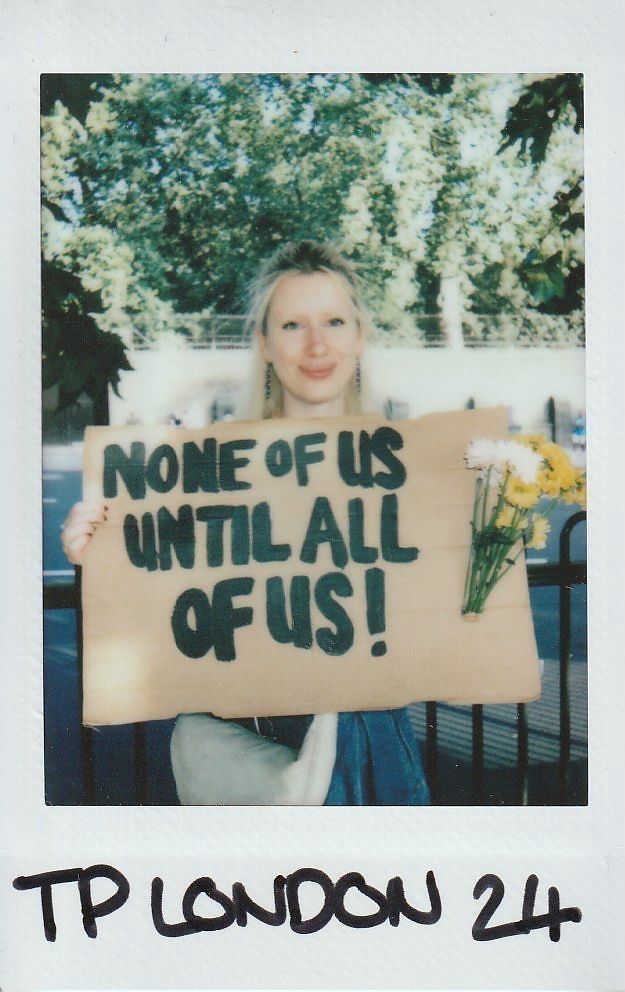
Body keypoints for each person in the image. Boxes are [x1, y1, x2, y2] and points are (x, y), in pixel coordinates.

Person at [61, 240, 430, 807]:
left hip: (370, 757)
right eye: (291, 325)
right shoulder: (204, 476)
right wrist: (102, 557)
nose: (316, 344)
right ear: (264, 342)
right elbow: (164, 616)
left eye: (334, 320)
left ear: (359, 334)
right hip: (257, 761)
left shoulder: (409, 472)